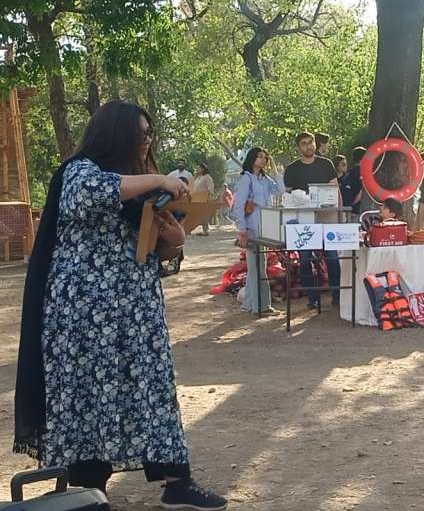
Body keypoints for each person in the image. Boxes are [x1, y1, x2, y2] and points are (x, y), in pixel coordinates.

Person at [14, 100, 227, 510]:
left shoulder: (140, 184)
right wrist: (160, 179)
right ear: (116, 134)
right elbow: (93, 193)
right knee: (88, 393)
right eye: (141, 133)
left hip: (136, 312)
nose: (147, 141)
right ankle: (87, 490)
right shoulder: (80, 171)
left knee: (153, 388)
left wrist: (175, 239)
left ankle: (176, 481)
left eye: (150, 133)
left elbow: (156, 250)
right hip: (83, 314)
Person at [284, 131, 340, 309]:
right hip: (304, 220)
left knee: (332, 257)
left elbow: (335, 190)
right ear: (298, 147)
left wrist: (341, 214)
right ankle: (312, 298)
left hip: (327, 217)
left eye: (311, 142)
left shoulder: (326, 164)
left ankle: (337, 295)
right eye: (304, 143)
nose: (309, 146)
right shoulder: (292, 169)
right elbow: (288, 197)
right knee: (305, 259)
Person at [233, 147, 281, 314]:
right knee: (257, 267)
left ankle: (250, 303)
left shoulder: (266, 179)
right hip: (251, 227)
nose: (263, 160)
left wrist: (274, 170)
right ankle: (261, 305)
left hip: (265, 227)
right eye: (259, 156)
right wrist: (242, 229)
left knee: (260, 265)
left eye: (265, 157)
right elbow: (238, 205)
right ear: (252, 158)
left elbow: (280, 190)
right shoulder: (246, 179)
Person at [190, 163, 215, 235]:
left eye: (199, 168)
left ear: (203, 169)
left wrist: (209, 196)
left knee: (204, 214)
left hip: (204, 198)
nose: (197, 169)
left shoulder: (207, 177)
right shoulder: (197, 177)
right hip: (196, 198)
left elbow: (210, 188)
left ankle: (205, 230)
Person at [341, 146, 367, 212]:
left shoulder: (349, 173)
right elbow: (362, 192)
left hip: (349, 208)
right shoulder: (364, 173)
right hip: (360, 209)